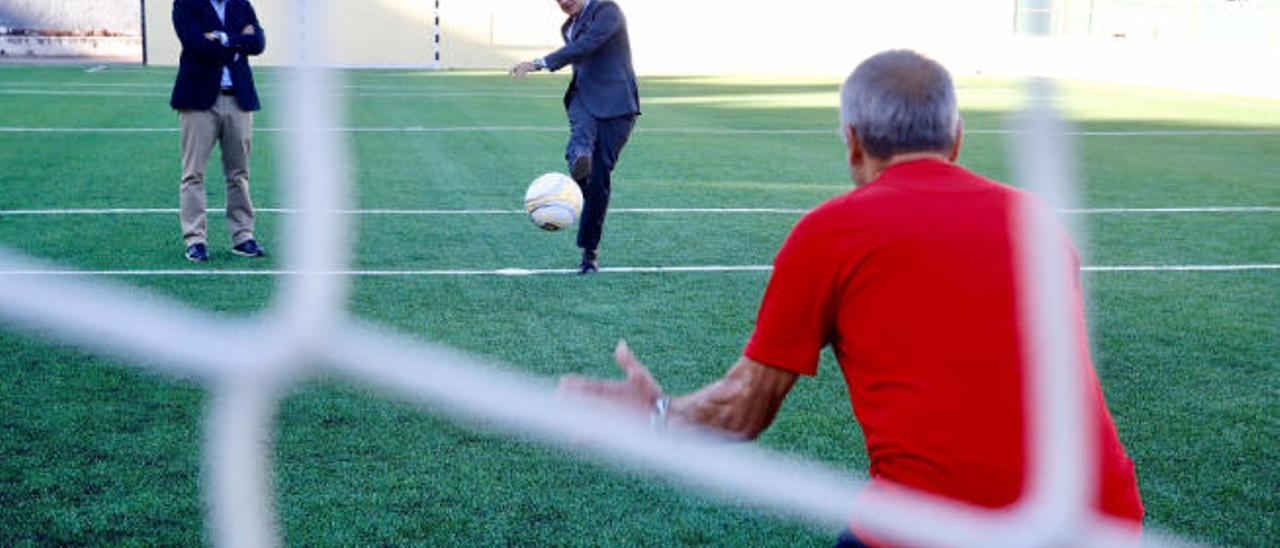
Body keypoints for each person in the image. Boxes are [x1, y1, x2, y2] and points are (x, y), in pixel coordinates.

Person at [557, 50, 1144, 545]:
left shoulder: (833, 232)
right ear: (957, 139)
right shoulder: (1036, 218)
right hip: (1101, 519)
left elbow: (742, 412)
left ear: (853, 144)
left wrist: (658, 416)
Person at [510, 0, 640, 274]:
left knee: (599, 179)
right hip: (582, 98)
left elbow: (587, 45)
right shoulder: (568, 26)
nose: (563, 2)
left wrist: (539, 63)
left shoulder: (607, 11)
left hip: (617, 104)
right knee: (581, 138)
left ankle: (589, 252)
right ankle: (580, 161)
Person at [170, 0, 266, 262]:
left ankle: (243, 236)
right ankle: (195, 240)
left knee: (239, 174)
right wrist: (237, 43)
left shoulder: (241, 4)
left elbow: (258, 43)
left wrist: (221, 38)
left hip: (239, 99)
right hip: (198, 101)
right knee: (193, 174)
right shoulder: (186, 4)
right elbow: (195, 44)